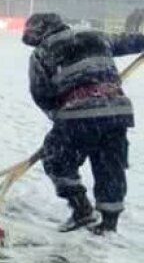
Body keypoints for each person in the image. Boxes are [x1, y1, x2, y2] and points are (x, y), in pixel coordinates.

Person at [22, 12, 144, 233]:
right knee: (110, 167)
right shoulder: (96, 36)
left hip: (78, 114)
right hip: (116, 112)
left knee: (55, 159)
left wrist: (60, 119)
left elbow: (42, 94)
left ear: (40, 32)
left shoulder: (41, 53)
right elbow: (133, 41)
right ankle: (108, 224)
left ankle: (82, 210)